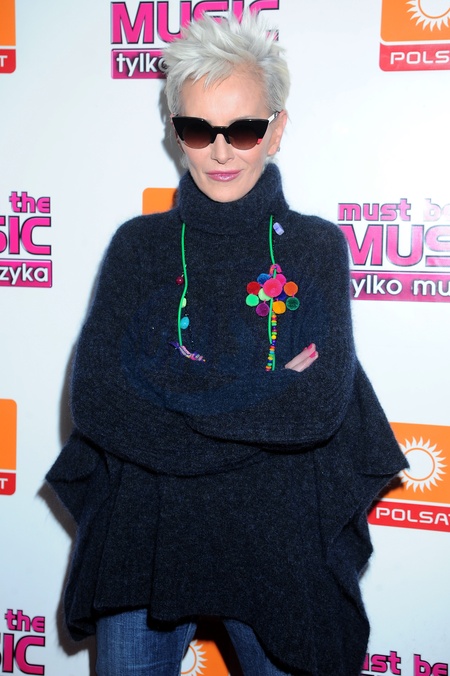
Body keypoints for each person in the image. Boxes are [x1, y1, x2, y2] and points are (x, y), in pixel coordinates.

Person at [46, 12, 407, 676]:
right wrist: (264, 392)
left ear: (277, 129)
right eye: (198, 129)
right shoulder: (137, 246)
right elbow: (98, 402)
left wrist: (168, 397)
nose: (220, 151)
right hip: (144, 534)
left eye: (242, 129)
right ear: (174, 131)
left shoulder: (315, 247)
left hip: (275, 545)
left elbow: (315, 409)